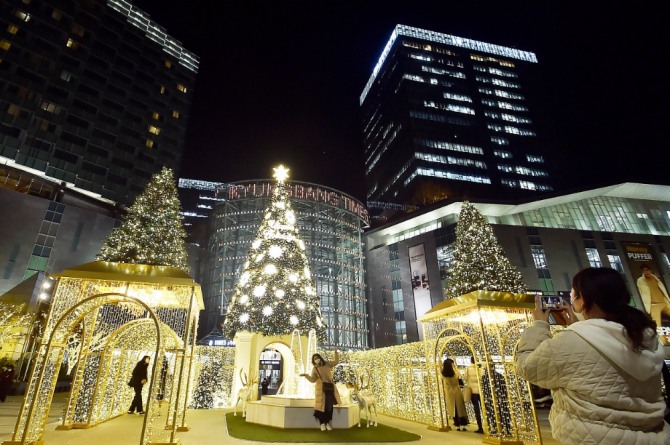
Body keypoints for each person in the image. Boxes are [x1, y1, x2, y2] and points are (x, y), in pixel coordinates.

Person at [516, 267, 669, 444]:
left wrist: (538, 326)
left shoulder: (571, 341)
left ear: (584, 300)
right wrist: (576, 326)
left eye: (574, 295)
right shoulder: (644, 336)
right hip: (653, 436)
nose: (572, 300)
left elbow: (526, 367)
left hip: (594, 438)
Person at [300, 348, 340, 431]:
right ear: (313, 361)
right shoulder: (315, 369)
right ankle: (322, 423)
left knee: (329, 407)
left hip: (329, 388)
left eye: (317, 358)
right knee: (321, 407)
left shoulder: (327, 364)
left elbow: (336, 362)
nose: (316, 360)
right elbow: (313, 380)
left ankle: (327, 423)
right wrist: (306, 376)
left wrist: (336, 352)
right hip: (320, 390)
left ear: (320, 358)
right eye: (314, 359)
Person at [441, 358, 468, 431]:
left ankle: (457, 425)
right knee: (460, 408)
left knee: (453, 409)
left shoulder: (443, 373)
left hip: (449, 392)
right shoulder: (455, 373)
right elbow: (460, 381)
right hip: (457, 390)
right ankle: (463, 424)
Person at [464, 356, 484, 434]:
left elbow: (465, 378)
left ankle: (480, 427)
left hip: (473, 391)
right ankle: (489, 426)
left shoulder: (468, 369)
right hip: (481, 391)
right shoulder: (480, 369)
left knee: (477, 410)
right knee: (484, 410)